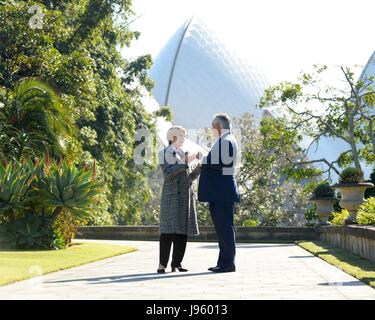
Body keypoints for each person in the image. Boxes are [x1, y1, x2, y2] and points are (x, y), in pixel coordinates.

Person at [198, 113, 240, 273]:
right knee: (222, 229)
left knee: (225, 229)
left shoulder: (227, 141)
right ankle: (223, 262)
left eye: (212, 125)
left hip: (222, 192)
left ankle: (227, 263)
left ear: (218, 126)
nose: (211, 129)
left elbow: (221, 162)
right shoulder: (225, 141)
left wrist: (203, 159)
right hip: (220, 192)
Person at [157, 126, 201, 274]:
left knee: (182, 232)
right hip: (171, 197)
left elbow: (189, 178)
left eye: (184, 136)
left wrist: (200, 167)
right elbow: (169, 174)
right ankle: (162, 264)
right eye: (181, 136)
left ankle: (177, 263)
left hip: (185, 196)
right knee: (167, 232)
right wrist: (185, 162)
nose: (184, 139)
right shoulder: (163, 153)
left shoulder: (184, 153)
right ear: (173, 137)